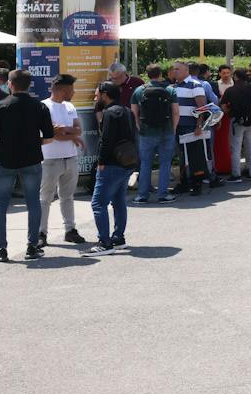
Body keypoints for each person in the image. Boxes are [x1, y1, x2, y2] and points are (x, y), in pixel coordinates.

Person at [0, 69, 53, 262]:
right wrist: (33, 143)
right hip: (31, 160)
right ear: (29, 85)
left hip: (4, 161)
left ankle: (1, 249)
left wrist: (5, 144)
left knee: (0, 204)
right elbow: (48, 139)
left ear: (10, 84)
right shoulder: (39, 107)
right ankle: (32, 247)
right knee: (33, 201)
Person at [88, 81, 136, 255]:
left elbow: (106, 139)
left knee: (98, 203)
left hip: (111, 164)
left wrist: (101, 162)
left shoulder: (109, 113)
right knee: (118, 201)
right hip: (126, 162)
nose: (95, 97)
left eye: (96, 94)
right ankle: (118, 238)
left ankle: (104, 242)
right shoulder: (126, 110)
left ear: (105, 94)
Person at [38, 74, 85, 246]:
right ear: (63, 90)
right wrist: (67, 132)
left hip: (70, 158)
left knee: (68, 196)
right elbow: (52, 134)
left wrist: (64, 130)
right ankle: (41, 233)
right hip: (49, 159)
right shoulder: (43, 106)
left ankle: (70, 230)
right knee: (45, 197)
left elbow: (78, 129)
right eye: (71, 89)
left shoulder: (70, 106)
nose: (74, 92)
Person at [132, 64, 180, 203]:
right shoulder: (170, 90)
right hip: (166, 131)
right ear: (161, 74)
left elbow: (134, 112)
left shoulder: (139, 90)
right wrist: (174, 127)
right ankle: (163, 194)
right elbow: (176, 112)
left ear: (147, 75)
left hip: (146, 132)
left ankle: (142, 195)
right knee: (165, 163)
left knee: (145, 163)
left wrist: (138, 126)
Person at [172, 62, 210, 194]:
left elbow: (202, 108)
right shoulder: (174, 86)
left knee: (195, 155)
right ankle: (184, 183)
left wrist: (199, 125)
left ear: (186, 71)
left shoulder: (195, 85)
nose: (174, 71)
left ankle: (197, 184)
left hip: (191, 126)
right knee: (182, 156)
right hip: (178, 126)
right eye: (174, 69)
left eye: (177, 69)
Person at [222, 67, 251, 181]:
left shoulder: (230, 90)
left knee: (235, 148)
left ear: (235, 77)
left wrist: (229, 112)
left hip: (237, 121)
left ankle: (236, 174)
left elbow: (224, 106)